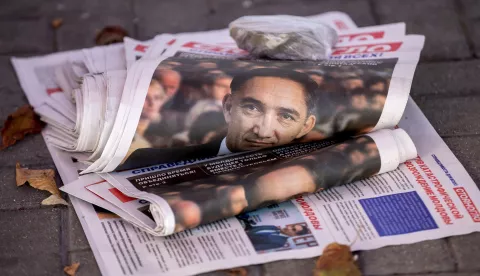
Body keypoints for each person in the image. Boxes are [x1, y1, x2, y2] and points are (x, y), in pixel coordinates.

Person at [118, 68, 319, 170]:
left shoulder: (317, 173)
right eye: (252, 108)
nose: (263, 132)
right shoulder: (145, 161)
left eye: (285, 116)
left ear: (305, 127)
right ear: (228, 107)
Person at [245, 224, 310, 251]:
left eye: (293, 229)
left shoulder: (280, 243)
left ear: (294, 235)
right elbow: (252, 228)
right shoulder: (273, 227)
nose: (288, 227)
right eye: (292, 226)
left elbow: (256, 248)